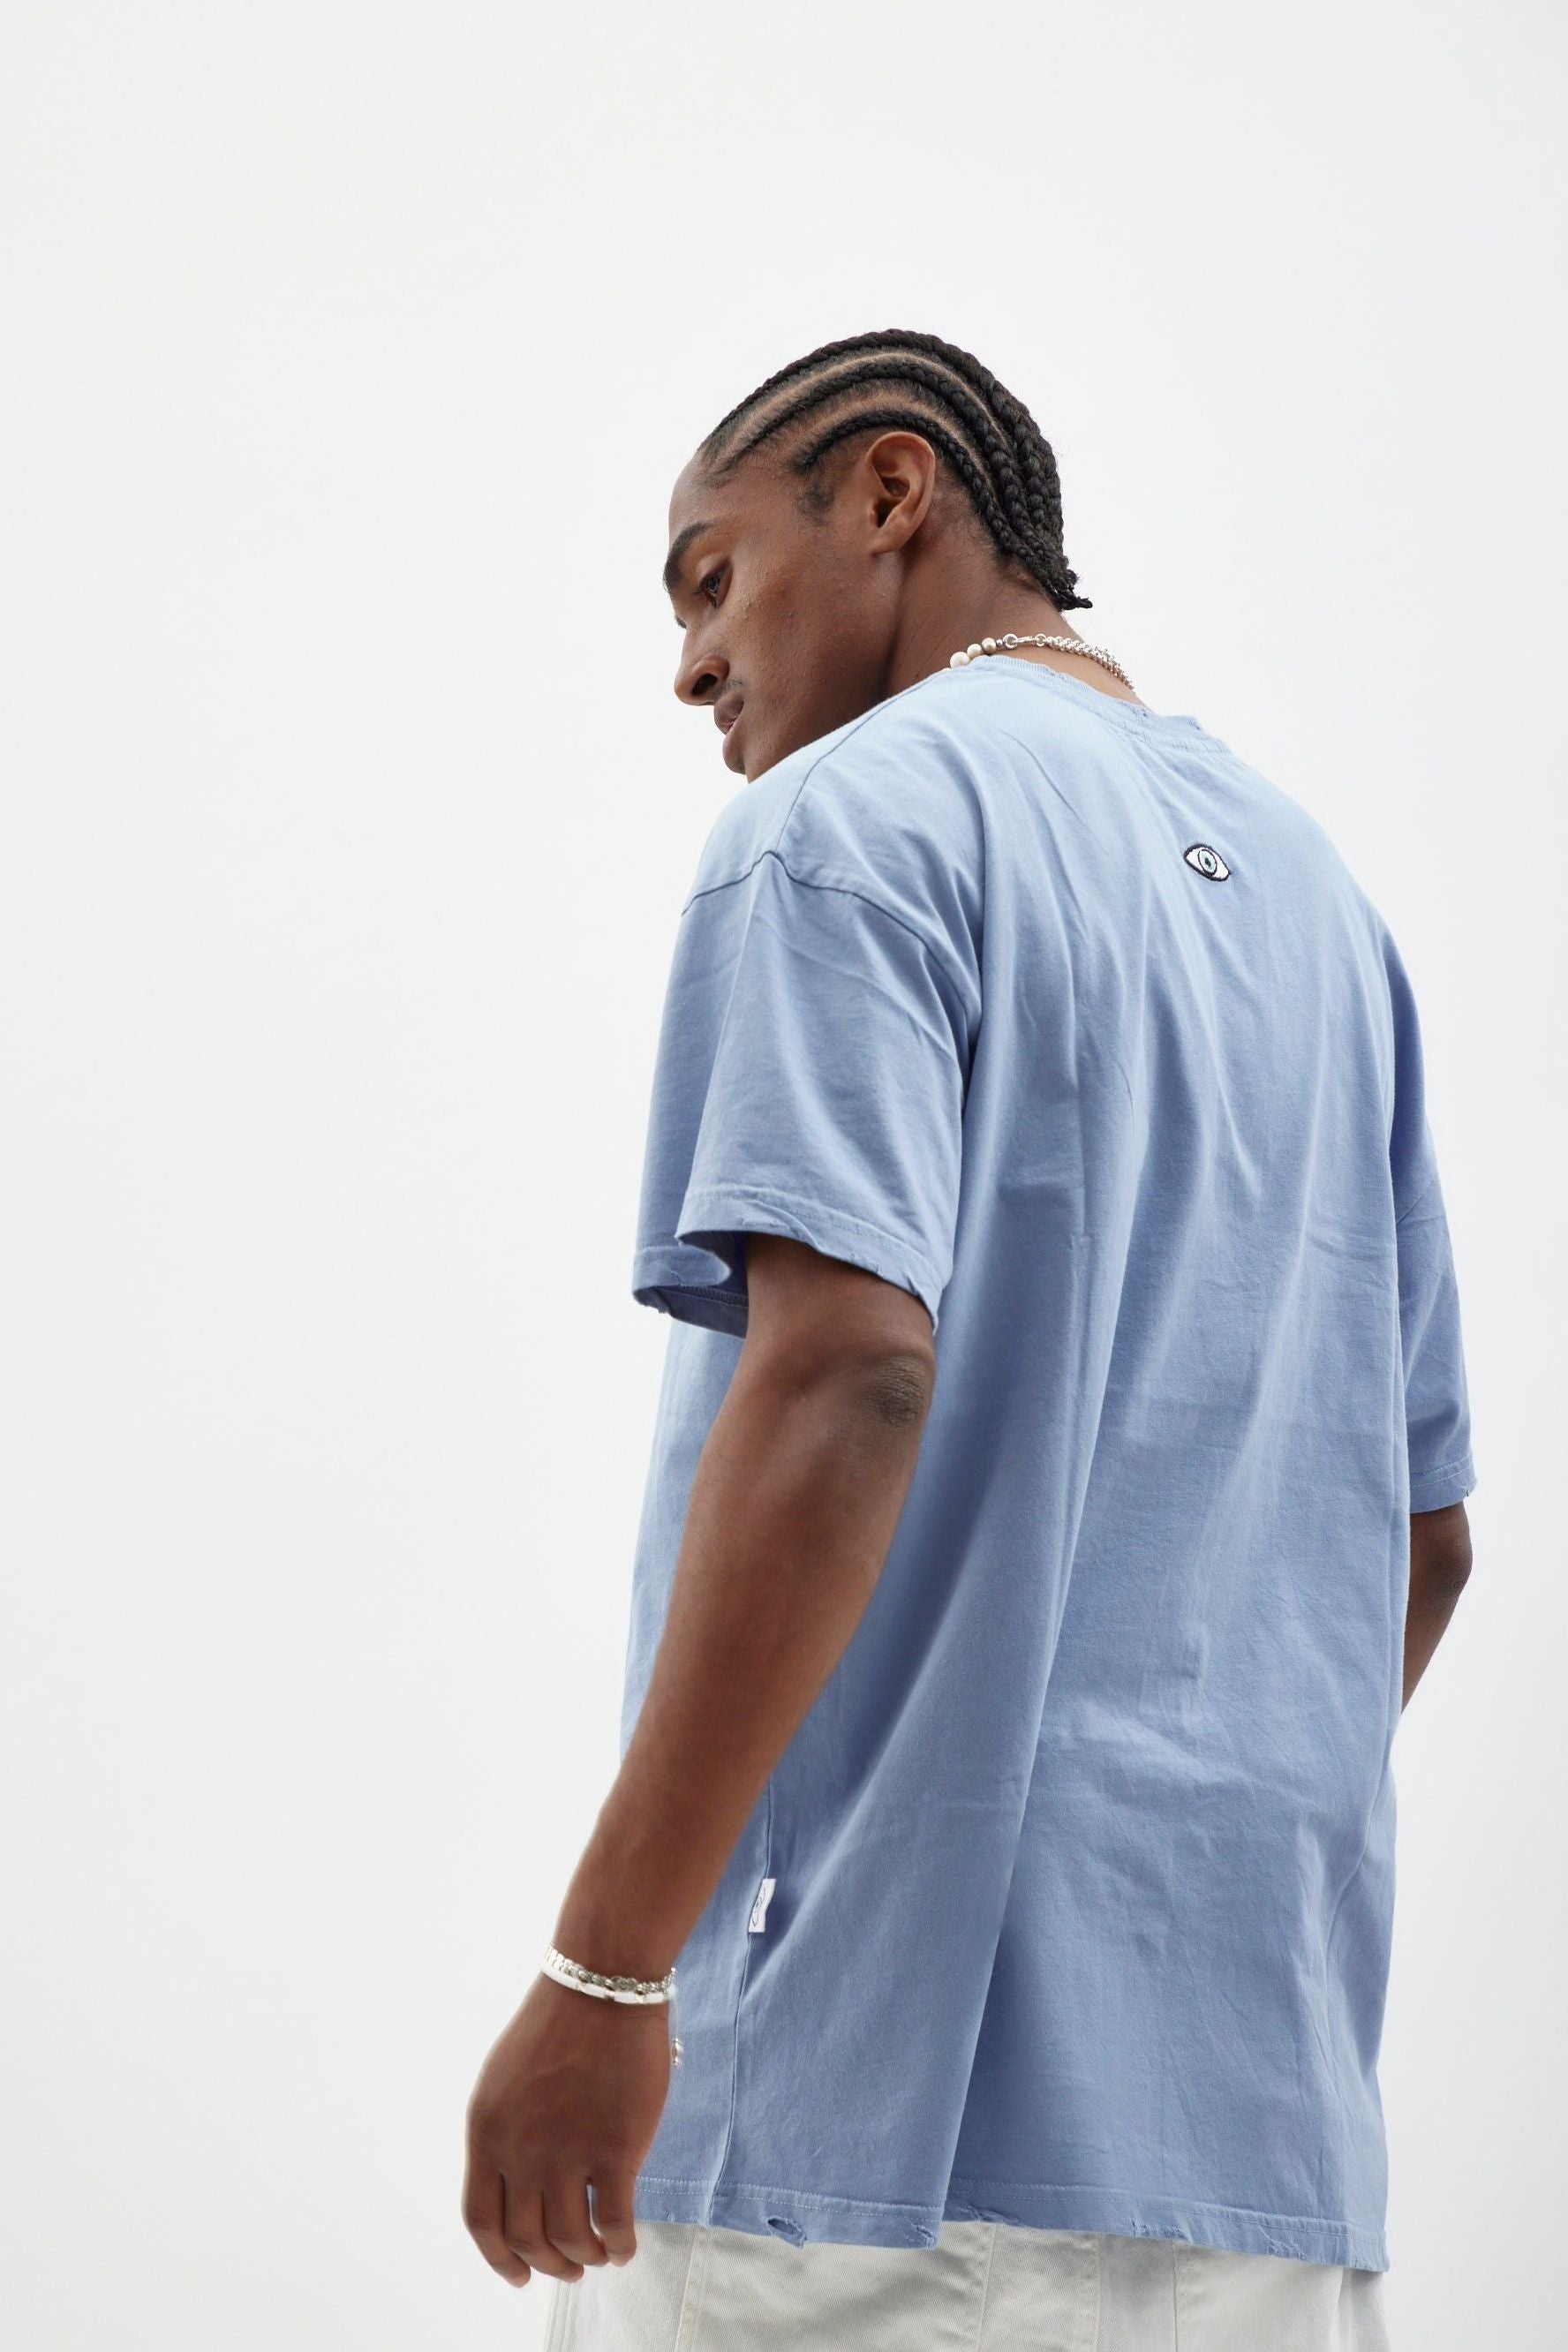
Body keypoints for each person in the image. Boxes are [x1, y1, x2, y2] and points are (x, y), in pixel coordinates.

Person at [462, 329, 1477, 2349]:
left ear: (891, 492)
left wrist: (607, 1973)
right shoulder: (1322, 909)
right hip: (1259, 2165)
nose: (691, 665)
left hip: (862, 2168)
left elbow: (847, 1374)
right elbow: (1420, 1538)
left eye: (711, 578)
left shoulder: (850, 822)